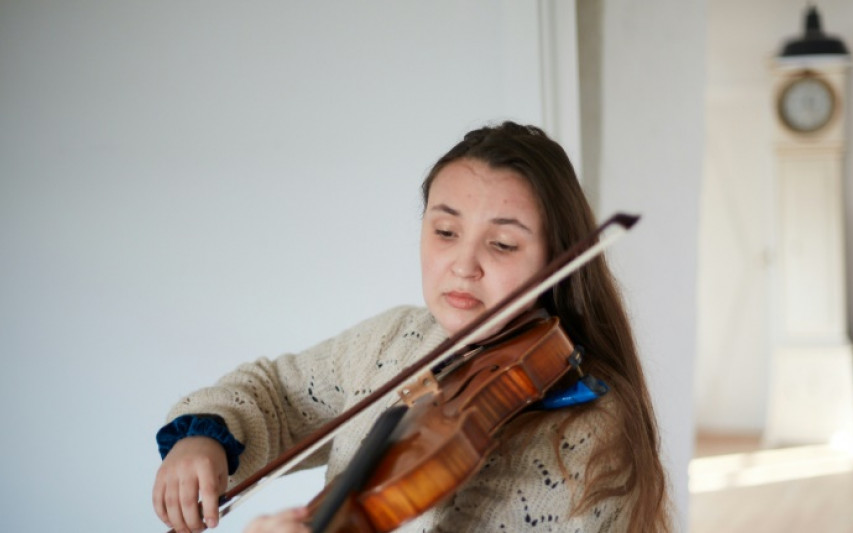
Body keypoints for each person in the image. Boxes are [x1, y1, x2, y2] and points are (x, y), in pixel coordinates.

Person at [152, 122, 670, 533]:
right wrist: (206, 439)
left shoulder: (591, 429)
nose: (463, 266)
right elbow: (277, 393)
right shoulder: (397, 337)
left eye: (504, 244)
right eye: (445, 231)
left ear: (557, 258)